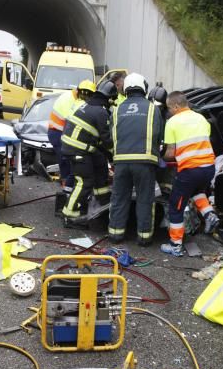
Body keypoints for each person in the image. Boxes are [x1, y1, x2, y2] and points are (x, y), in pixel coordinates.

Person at [161, 91, 219, 256]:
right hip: (208, 168)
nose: (169, 111)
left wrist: (159, 153)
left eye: (169, 108)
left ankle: (175, 245)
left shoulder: (172, 122)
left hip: (190, 170)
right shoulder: (201, 118)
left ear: (176, 106)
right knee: (198, 192)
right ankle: (209, 215)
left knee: (175, 206)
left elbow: (170, 153)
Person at [108, 73, 163, 246]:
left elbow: (111, 137)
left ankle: (116, 234)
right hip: (145, 162)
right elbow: (159, 135)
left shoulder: (116, 110)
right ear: (143, 87)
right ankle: (144, 237)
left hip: (121, 161)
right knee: (145, 199)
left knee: (119, 197)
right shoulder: (153, 108)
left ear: (126, 89)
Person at [61, 80, 117, 226]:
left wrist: (106, 157)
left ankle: (102, 197)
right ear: (109, 98)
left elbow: (95, 137)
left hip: (78, 147)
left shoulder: (90, 105)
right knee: (84, 182)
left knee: (100, 164)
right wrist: (114, 156)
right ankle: (70, 216)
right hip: (77, 150)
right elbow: (106, 140)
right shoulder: (101, 112)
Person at [47, 82, 93, 188]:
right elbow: (72, 123)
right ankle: (66, 187)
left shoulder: (72, 97)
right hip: (57, 132)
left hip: (58, 131)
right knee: (66, 161)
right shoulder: (70, 101)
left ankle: (67, 184)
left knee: (66, 160)